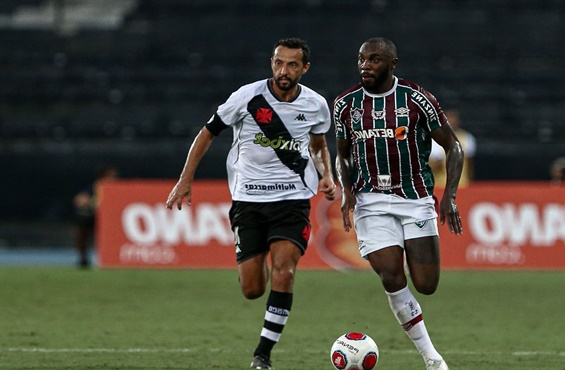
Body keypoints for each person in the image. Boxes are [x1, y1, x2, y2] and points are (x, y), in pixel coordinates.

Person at [165, 38, 336, 370]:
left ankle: (262, 354)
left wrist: (326, 174)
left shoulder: (316, 104)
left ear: (305, 68)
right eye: (278, 63)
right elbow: (207, 133)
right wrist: (186, 179)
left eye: (291, 65)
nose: (283, 71)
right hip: (249, 201)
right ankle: (268, 269)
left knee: (284, 272)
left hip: (292, 199)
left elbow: (318, 144)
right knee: (252, 289)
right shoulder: (247, 97)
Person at [333, 37, 464, 370]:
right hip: (371, 201)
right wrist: (346, 188)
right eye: (362, 59)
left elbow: (453, 147)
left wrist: (449, 195)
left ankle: (414, 295)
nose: (366, 65)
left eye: (375, 60)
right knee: (391, 276)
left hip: (416, 199)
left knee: (426, 285)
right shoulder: (346, 104)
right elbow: (342, 155)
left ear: (392, 64)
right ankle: (432, 358)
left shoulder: (417, 99)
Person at [72, 164, 118, 268]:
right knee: (81, 229)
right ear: (103, 176)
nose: (113, 178)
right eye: (110, 176)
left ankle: (108, 258)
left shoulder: (117, 188)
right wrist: (85, 201)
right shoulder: (96, 187)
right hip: (95, 216)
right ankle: (83, 259)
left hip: (111, 218)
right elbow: (79, 199)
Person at [429, 108, 476, 188]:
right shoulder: (434, 139)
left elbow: (469, 163)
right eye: (448, 119)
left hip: (462, 184)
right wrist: (438, 164)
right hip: (440, 185)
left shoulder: (467, 138)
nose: (451, 121)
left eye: (453, 119)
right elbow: (430, 165)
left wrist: (470, 180)